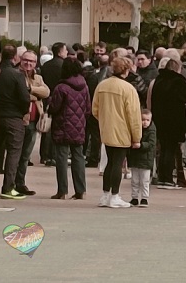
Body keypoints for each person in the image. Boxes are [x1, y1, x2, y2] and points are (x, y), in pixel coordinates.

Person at [92, 56, 142, 208]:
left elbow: (95, 109)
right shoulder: (128, 89)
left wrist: (105, 120)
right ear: (126, 70)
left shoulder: (102, 85)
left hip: (107, 128)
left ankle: (106, 194)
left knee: (110, 162)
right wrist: (137, 137)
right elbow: (133, 115)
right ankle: (115, 195)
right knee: (118, 164)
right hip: (122, 130)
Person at [47, 57, 90, 200]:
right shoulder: (84, 86)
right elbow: (87, 108)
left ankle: (62, 190)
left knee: (61, 158)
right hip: (79, 125)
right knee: (78, 157)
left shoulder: (61, 87)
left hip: (62, 125)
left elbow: (54, 107)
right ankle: (80, 190)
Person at [0, 46, 31, 200]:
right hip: (14, 117)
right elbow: (25, 98)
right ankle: (8, 187)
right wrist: (23, 112)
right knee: (13, 153)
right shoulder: (16, 75)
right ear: (15, 57)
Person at [150, 57, 186, 189]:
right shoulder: (178, 81)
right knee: (171, 148)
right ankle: (168, 178)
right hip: (174, 119)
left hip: (159, 118)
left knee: (163, 148)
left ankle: (162, 177)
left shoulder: (158, 80)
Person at [15, 51, 49, 196]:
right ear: (20, 60)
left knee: (26, 155)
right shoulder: (15, 75)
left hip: (35, 122)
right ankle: (11, 183)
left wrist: (31, 89)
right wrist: (33, 95)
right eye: (26, 60)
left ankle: (20, 183)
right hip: (20, 120)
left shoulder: (38, 77)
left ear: (36, 63)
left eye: (32, 61)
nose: (28, 64)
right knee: (15, 154)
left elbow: (46, 92)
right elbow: (20, 94)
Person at [128, 109, 156, 206]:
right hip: (135, 159)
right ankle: (134, 197)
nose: (145, 122)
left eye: (147, 120)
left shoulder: (152, 130)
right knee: (134, 180)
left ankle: (144, 198)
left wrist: (141, 145)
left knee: (145, 181)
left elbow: (151, 144)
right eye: (143, 119)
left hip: (146, 160)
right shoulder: (136, 129)